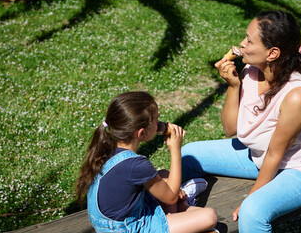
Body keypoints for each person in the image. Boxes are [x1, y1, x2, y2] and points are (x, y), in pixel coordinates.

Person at [181, 10, 301, 232]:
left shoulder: (296, 95)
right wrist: (233, 86)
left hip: (299, 169)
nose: (241, 44)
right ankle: (176, 214)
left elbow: (275, 154)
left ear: (272, 53)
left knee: (252, 213)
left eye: (249, 41)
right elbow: (230, 128)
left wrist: (251, 198)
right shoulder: (250, 71)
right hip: (258, 156)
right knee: (188, 155)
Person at [75, 91, 217, 233]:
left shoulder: (107, 148)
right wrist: (175, 150)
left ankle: (181, 213)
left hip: (110, 222)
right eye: (156, 120)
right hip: (127, 228)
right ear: (141, 133)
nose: (159, 124)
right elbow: (171, 197)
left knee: (163, 174)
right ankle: (184, 208)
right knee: (209, 217)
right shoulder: (136, 165)